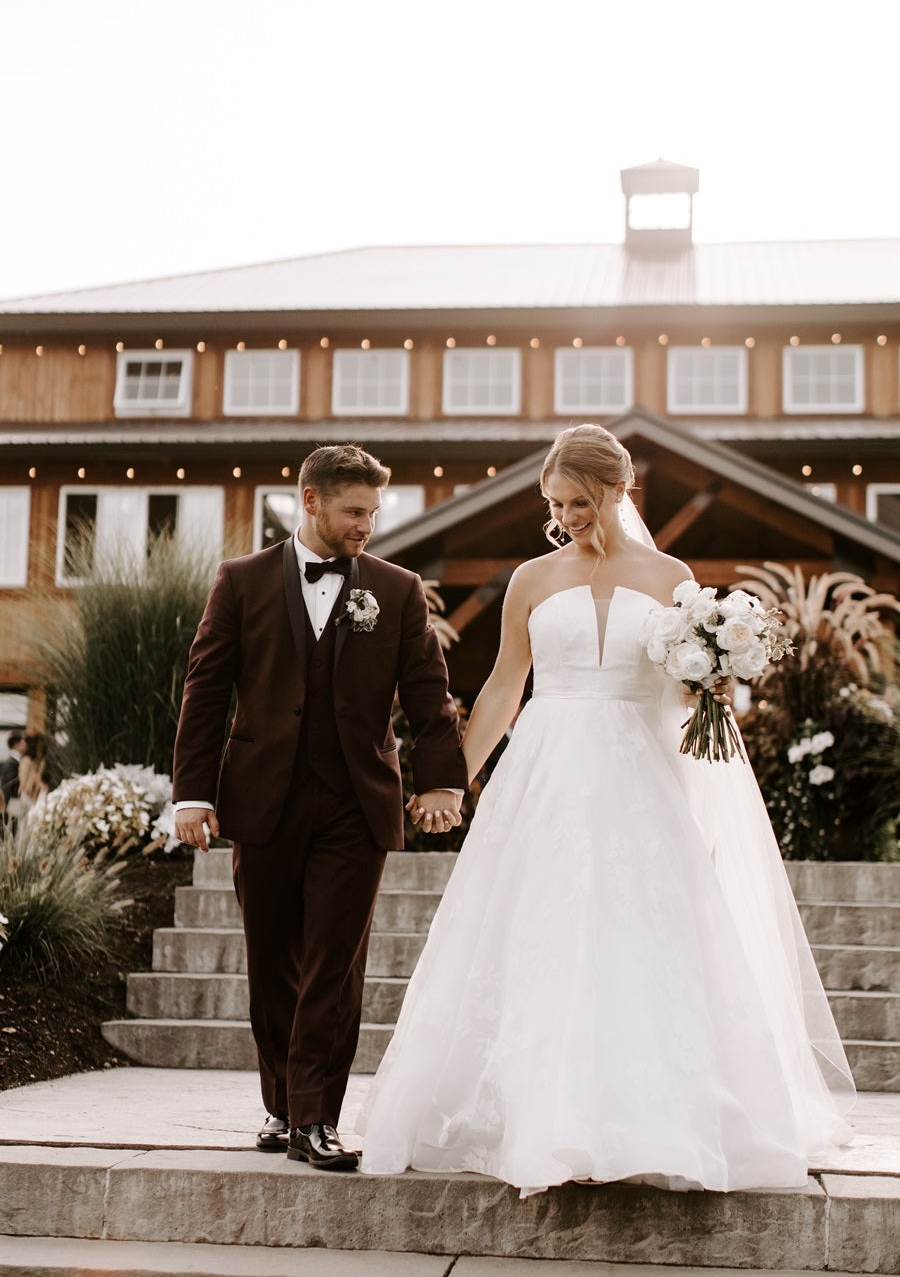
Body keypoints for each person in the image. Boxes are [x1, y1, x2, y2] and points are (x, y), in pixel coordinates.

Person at [360, 424, 854, 1196]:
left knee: (641, 935)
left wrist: (715, 678)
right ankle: (542, 1119)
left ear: (618, 491)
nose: (567, 516)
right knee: (542, 930)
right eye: (556, 503)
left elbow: (691, 698)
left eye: (580, 502)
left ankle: (652, 1118)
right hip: (546, 776)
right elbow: (502, 688)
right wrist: (453, 779)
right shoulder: (530, 578)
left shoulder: (670, 576)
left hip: (639, 776)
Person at [172, 444, 467, 1171]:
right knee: (272, 959)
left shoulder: (396, 591)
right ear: (310, 502)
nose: (368, 525)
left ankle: (315, 1119)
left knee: (334, 964)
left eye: (374, 511)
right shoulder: (239, 582)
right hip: (262, 798)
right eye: (354, 511)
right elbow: (206, 689)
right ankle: (281, 1104)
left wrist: (442, 783)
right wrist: (192, 793)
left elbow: (430, 694)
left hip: (354, 803)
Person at [0, 730, 26, 821]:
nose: (25, 744)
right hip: (12, 809)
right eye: (23, 741)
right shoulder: (11, 764)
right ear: (16, 744)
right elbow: (7, 789)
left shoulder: (16, 762)